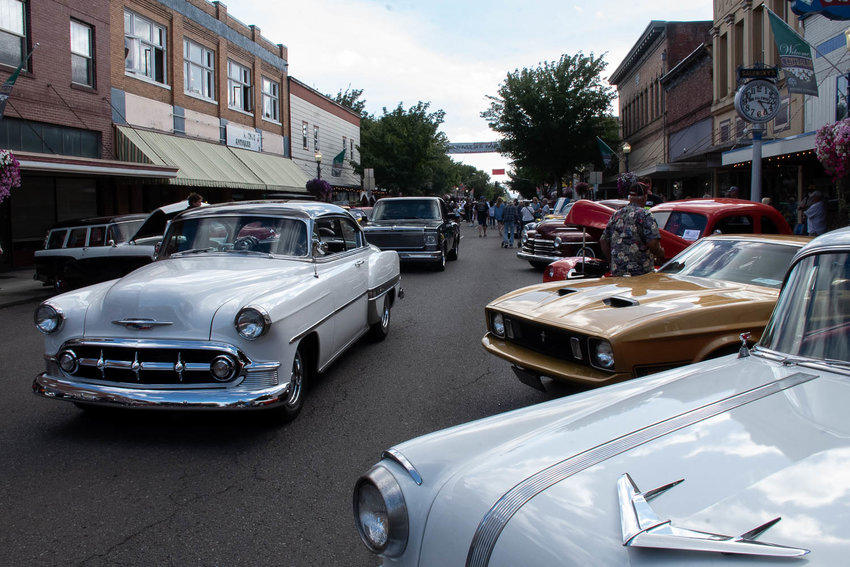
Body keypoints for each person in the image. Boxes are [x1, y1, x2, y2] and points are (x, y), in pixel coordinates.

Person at [600, 182, 665, 277]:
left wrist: (612, 260)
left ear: (629, 197)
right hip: (640, 273)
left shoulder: (616, 215)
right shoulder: (645, 215)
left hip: (618, 272)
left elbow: (603, 240)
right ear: (645, 197)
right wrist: (660, 253)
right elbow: (653, 243)